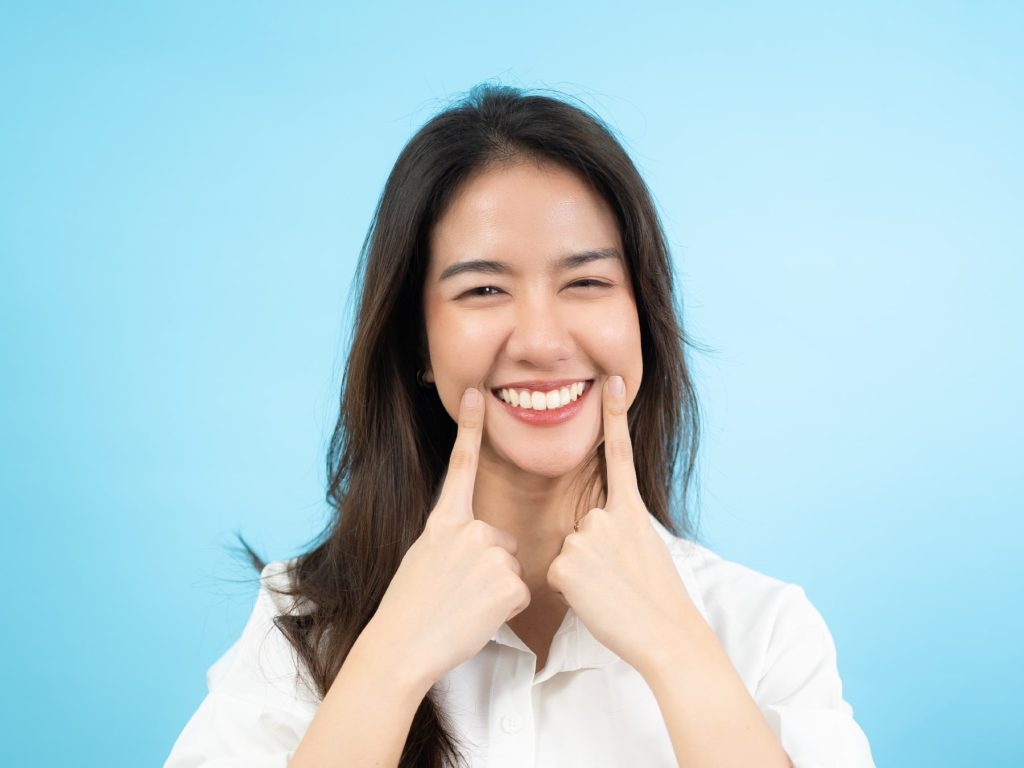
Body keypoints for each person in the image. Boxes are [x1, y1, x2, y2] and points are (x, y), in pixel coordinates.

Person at [164, 84, 875, 768]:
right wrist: (390, 660)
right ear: (418, 342)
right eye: (483, 289)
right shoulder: (303, 624)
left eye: (587, 282)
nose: (540, 340)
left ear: (644, 319)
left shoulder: (763, 628)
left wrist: (679, 650)